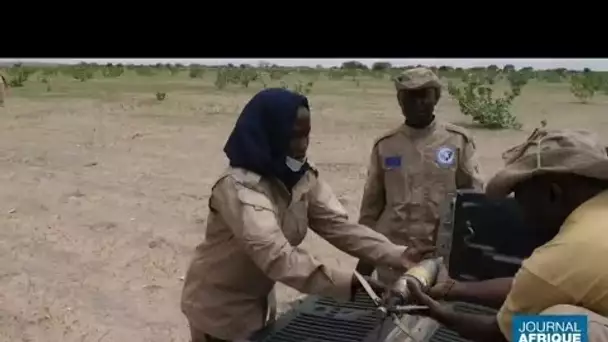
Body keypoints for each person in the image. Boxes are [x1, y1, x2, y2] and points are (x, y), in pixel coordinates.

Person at [180, 88, 435, 342]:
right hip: (219, 310)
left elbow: (339, 226)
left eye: (306, 135)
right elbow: (277, 256)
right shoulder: (239, 187)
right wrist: (349, 283)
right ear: (270, 134)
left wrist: (397, 254)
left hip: (257, 302)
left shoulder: (299, 177)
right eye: (293, 136)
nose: (302, 146)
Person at [406, 128, 608, 342]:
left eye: (522, 200)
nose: (523, 215)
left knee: (557, 326)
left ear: (553, 193)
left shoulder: (569, 250)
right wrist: (453, 289)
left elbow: (500, 332)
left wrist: (441, 314)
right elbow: (543, 284)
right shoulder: (589, 230)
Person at [356, 67, 483, 283]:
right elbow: (371, 207)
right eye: (410, 96)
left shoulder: (457, 141)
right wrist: (364, 262)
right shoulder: (386, 145)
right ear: (400, 100)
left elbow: (474, 201)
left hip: (441, 259)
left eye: (424, 95)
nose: (418, 103)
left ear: (436, 97)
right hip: (394, 256)